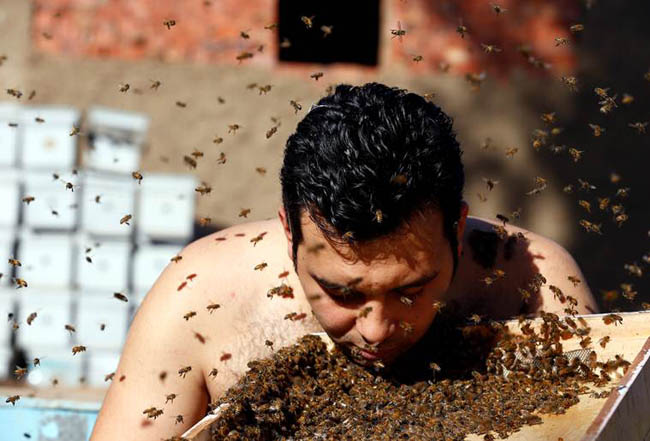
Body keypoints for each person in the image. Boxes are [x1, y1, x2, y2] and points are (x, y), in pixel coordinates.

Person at [90, 82, 597, 440]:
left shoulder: (533, 284)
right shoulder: (199, 292)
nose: (377, 330)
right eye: (342, 293)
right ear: (290, 231)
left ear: (458, 230)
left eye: (409, 290)